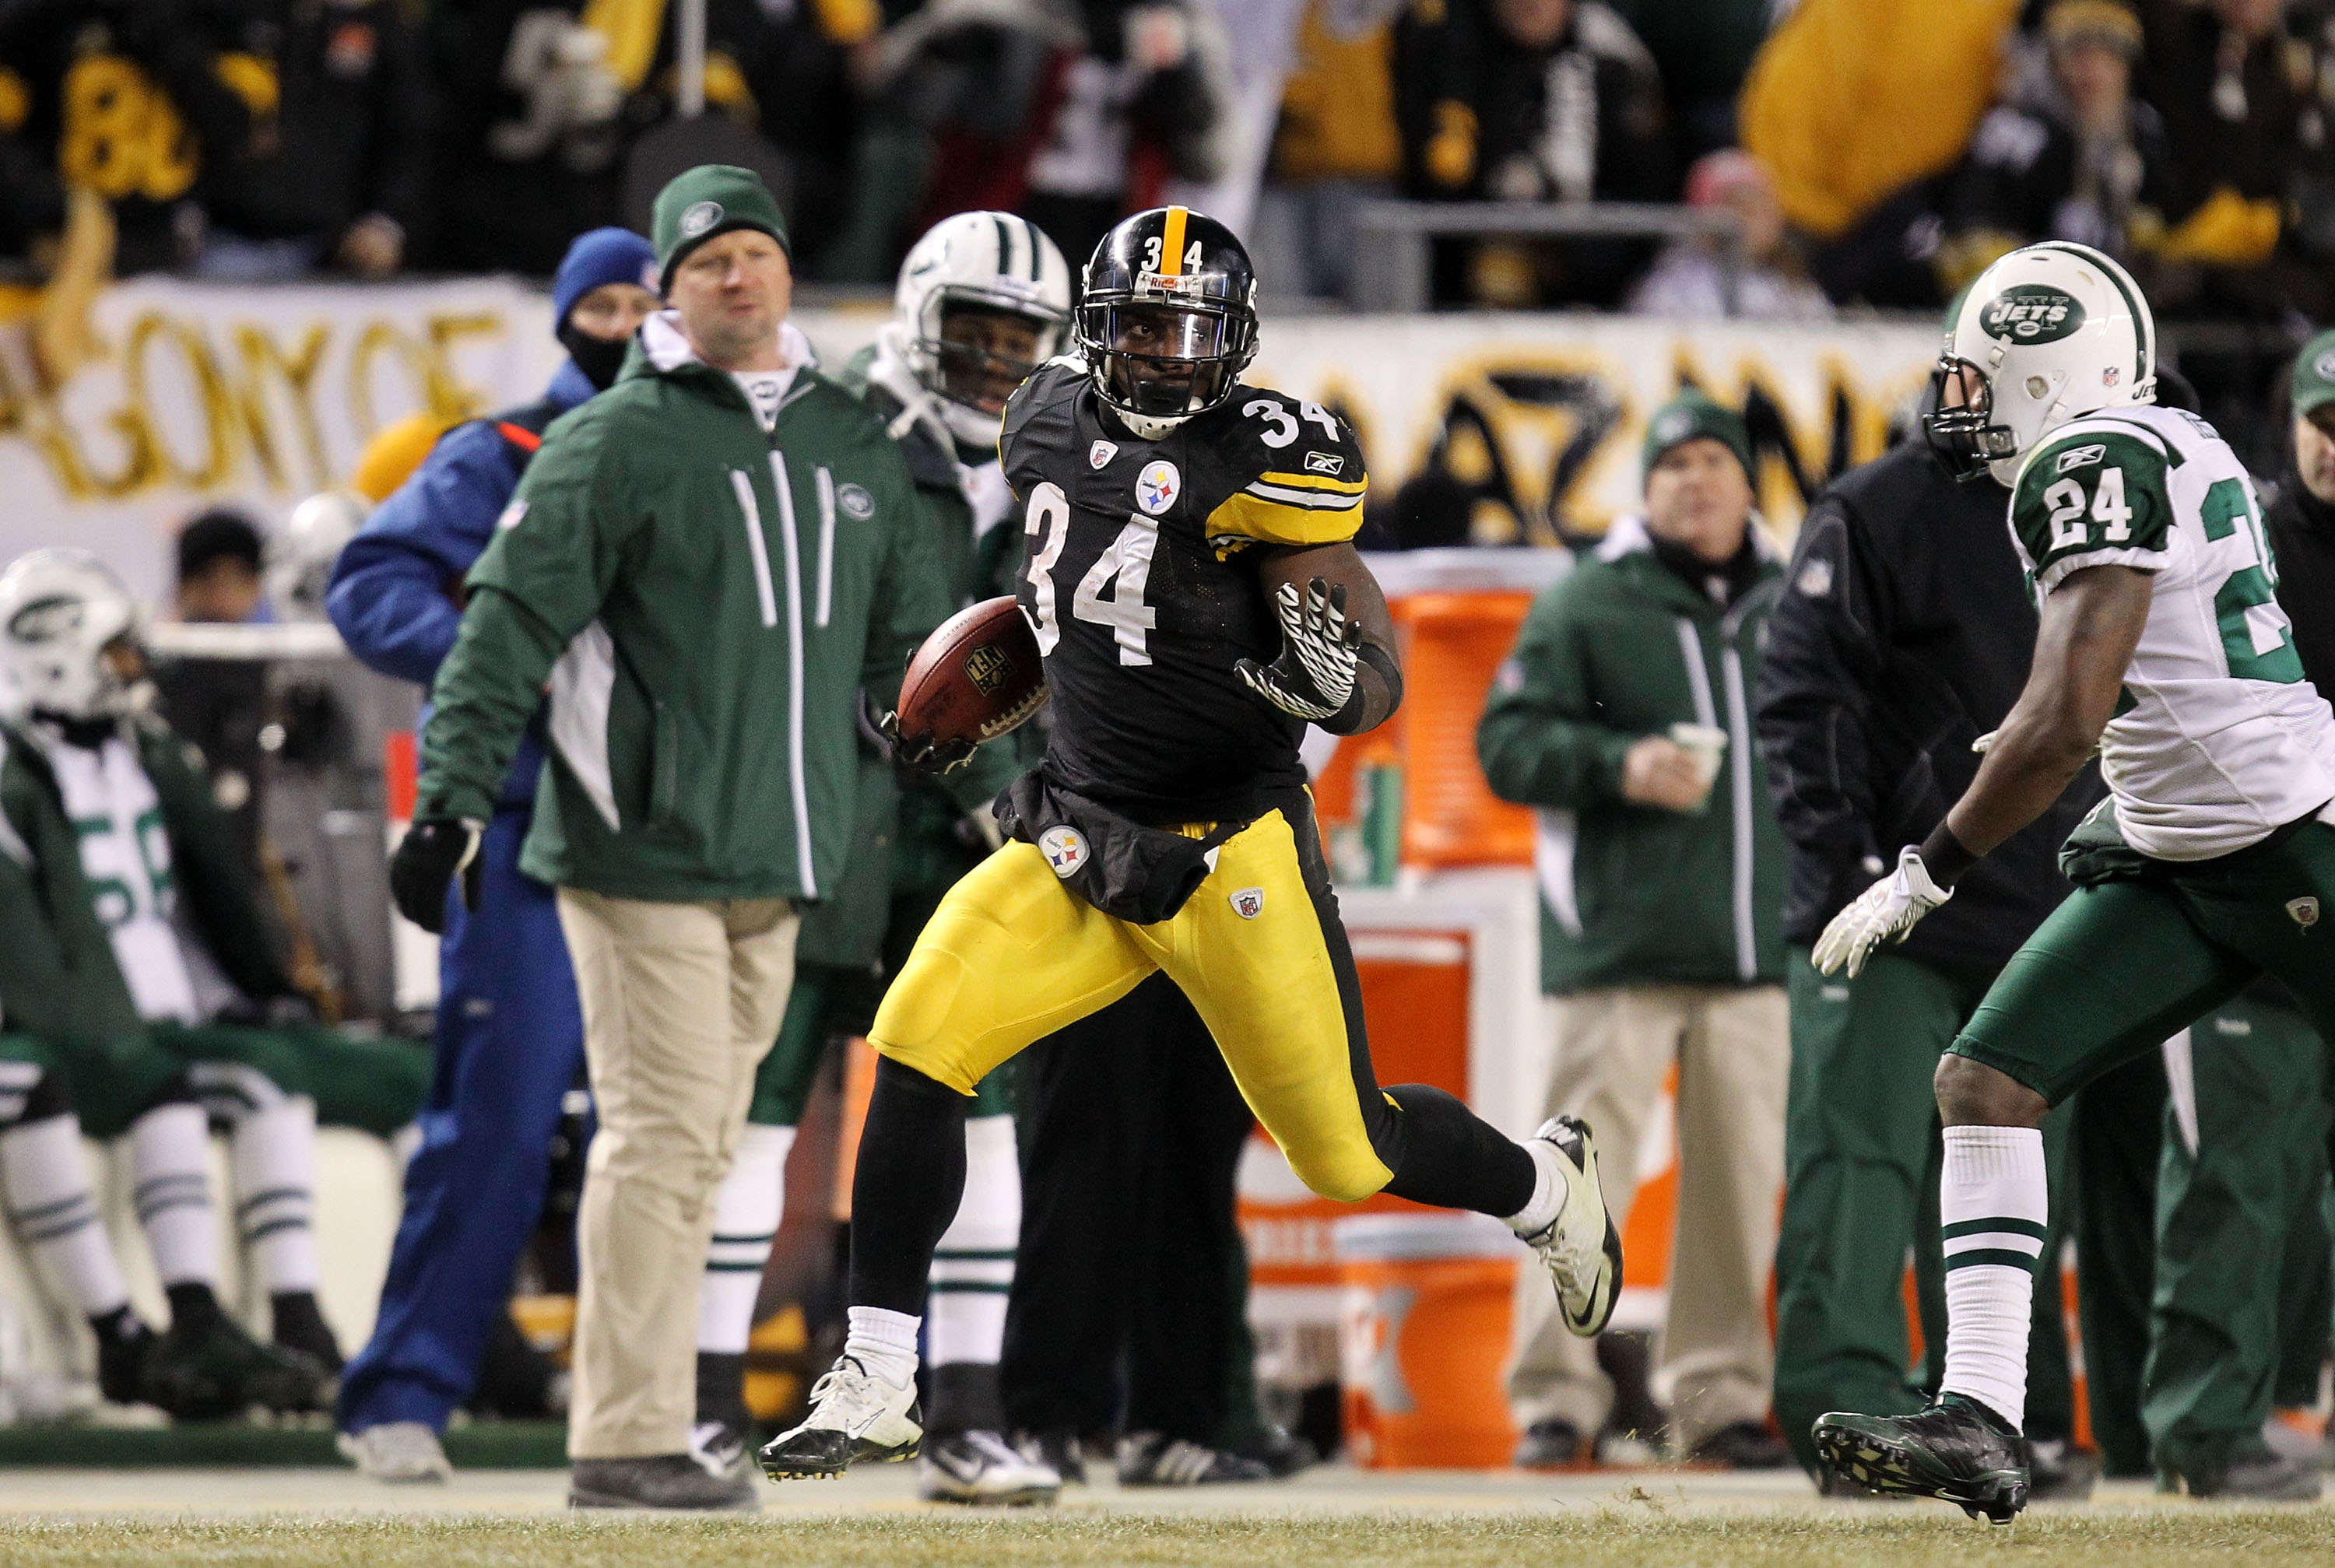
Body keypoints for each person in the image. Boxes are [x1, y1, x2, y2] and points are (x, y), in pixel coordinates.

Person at [756, 205, 1624, 1482]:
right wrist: (988, 676)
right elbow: (1058, 603)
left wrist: (1348, 685)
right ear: (1094, 334)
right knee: (918, 1043)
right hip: (1076, 833)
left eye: (1187, 331)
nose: (1162, 355)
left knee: (1345, 1150)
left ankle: (1543, 1188)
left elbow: (1367, 657)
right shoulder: (1043, 415)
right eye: (1138, 328)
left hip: (1229, 853)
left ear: (1237, 343)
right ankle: (883, 1372)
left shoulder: (1273, 458)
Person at [390, 163, 967, 1513]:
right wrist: (451, 803)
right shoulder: (612, 441)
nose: (738, 277)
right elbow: (502, 634)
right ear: (668, 288)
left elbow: (920, 662)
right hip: (636, 853)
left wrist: (1009, 798)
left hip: (785, 862)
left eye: (756, 253)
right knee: (659, 1139)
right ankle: (627, 1438)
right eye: (708, 262)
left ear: (786, 271)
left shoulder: (848, 439)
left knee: (702, 1147)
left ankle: (647, 1424)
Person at [1806, 240, 2335, 1523]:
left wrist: (1926, 871)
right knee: (1987, 1078)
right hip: (2177, 842)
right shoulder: (2171, 436)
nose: (1963, 401)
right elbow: (2122, 680)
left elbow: (2064, 717)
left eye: (1982, 375)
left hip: (2291, 836)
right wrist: (2064, 724)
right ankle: (1983, 1416)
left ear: (2051, 374)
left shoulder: (2088, 457)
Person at [686, 209, 1067, 1506]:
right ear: (920, 316)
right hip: (821, 816)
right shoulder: (833, 422)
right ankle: (703, 1408)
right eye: (980, 332)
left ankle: (963, 1412)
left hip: (968, 841)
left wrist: (1029, 781)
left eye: (1026, 340)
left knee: (984, 1119)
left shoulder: (1055, 461)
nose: (1002, 363)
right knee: (755, 1113)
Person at [328, 227, 662, 1485]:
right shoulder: (505, 449)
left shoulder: (714, 460)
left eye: (646, 301)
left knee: (677, 1134)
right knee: (504, 1123)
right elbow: (369, 578)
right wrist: (486, 665)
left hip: (670, 837)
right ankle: (402, 1391)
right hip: (525, 829)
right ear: (572, 317)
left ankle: (654, 1397)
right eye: (606, 303)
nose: (626, 323)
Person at [0, 549, 428, 1397]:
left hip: (173, 1014)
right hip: (96, 1027)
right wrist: (104, 1036)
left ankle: (432, 1324)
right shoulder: (17, 769)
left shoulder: (146, 750)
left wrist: (271, 986)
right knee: (190, 1083)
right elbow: (30, 953)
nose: (134, 667)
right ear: (56, 646)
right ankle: (189, 1325)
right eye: (115, 648)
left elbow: (222, 892)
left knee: (420, 1078)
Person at [1478, 390, 1791, 1470]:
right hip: (1616, 949)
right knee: (1570, 1185)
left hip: (1755, 950)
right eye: (1670, 465)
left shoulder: (1795, 599)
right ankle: (1555, 1399)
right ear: (1643, 487)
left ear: (1749, 482)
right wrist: (1618, 764)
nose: (1693, 479)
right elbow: (1505, 742)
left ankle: (1718, 1400)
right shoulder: (1588, 601)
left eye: (1713, 460)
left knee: (1740, 1186)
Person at [1400, 0, 1673, 307]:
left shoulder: (1611, 57)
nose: (1530, 4)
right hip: (1460, 287)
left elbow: (1646, 189)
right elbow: (1426, 176)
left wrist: (1564, 255)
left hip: (1591, 299)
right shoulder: (1454, 52)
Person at [1628, 151, 1834, 321]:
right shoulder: (1673, 287)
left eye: (1763, 205)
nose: (1754, 217)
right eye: (1739, 206)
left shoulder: (1796, 288)